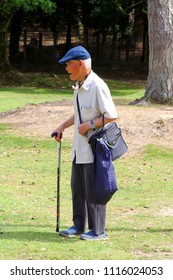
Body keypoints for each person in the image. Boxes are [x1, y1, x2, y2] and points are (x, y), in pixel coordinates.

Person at [52, 45, 118, 240]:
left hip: (93, 148)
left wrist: (90, 124)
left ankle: (98, 231)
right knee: (77, 188)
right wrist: (62, 126)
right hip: (79, 148)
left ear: (80, 64)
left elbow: (112, 115)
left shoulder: (97, 85)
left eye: (68, 64)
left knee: (93, 189)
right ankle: (78, 225)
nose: (66, 69)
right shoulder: (79, 85)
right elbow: (79, 112)